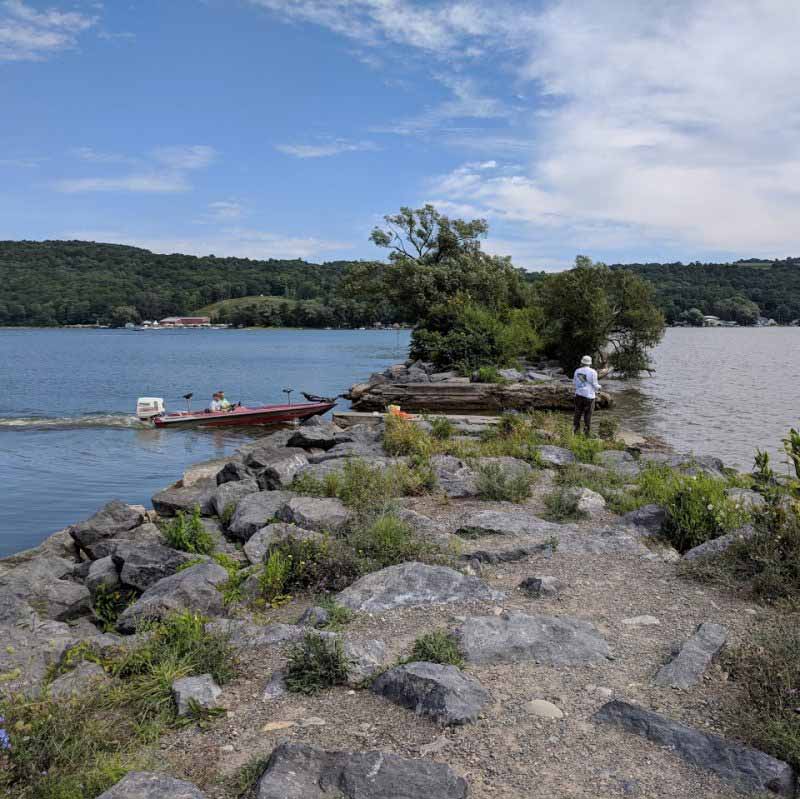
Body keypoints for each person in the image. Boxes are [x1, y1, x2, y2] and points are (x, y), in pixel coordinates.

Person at [573, 355, 601, 435]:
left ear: (582, 362)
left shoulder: (577, 371)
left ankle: (575, 432)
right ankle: (586, 434)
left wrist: (583, 385)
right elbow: (595, 385)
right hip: (589, 397)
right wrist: (600, 387)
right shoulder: (593, 372)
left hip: (578, 395)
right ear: (590, 363)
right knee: (588, 416)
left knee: (577, 414)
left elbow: (574, 383)